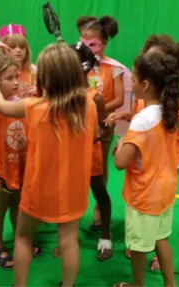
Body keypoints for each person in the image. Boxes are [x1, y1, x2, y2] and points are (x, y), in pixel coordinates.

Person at [0, 43, 98, 287]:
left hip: (38, 189)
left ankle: (18, 285)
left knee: (23, 236)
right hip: (73, 190)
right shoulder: (89, 106)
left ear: (44, 77)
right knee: (68, 240)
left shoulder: (34, 106)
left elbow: (1, 106)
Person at [106, 34, 179, 270]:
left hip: (152, 174)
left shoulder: (171, 103)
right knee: (160, 232)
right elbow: (149, 124)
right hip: (162, 176)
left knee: (143, 233)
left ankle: (142, 255)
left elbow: (122, 159)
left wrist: (126, 141)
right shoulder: (157, 104)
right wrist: (128, 117)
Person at [0, 53, 42, 270]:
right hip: (0, 171)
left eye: (17, 77)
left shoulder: (22, 105)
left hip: (21, 169)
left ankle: (19, 240)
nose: (17, 82)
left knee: (19, 206)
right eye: (9, 78)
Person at [53, 42, 112, 260]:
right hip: (67, 158)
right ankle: (69, 239)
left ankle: (105, 235)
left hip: (90, 156)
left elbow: (107, 129)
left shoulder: (94, 97)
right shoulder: (60, 97)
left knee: (99, 193)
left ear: (83, 67)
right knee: (67, 198)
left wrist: (91, 138)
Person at [76, 15, 132, 230]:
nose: (87, 46)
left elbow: (118, 99)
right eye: (83, 40)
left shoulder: (113, 68)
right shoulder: (78, 65)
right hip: (79, 126)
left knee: (100, 170)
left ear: (104, 43)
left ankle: (99, 208)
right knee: (77, 169)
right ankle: (73, 212)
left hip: (102, 125)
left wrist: (96, 109)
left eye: (93, 42)